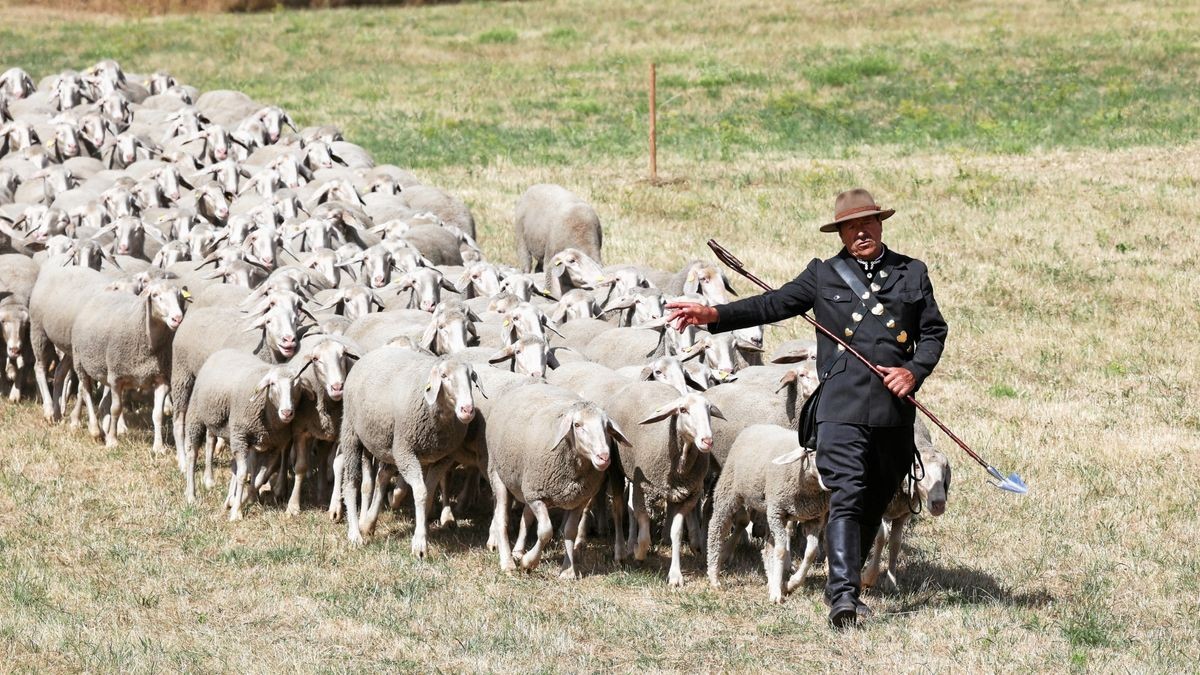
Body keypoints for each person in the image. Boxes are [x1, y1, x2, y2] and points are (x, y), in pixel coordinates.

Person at [665, 188, 948, 628]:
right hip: (840, 410)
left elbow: (933, 332)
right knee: (848, 493)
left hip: (894, 414)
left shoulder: (911, 273)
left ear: (881, 224)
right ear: (840, 233)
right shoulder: (824, 275)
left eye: (867, 224)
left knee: (873, 501)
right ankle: (843, 599)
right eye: (850, 227)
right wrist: (713, 315)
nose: (861, 233)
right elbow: (772, 304)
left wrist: (914, 371)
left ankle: (847, 580)